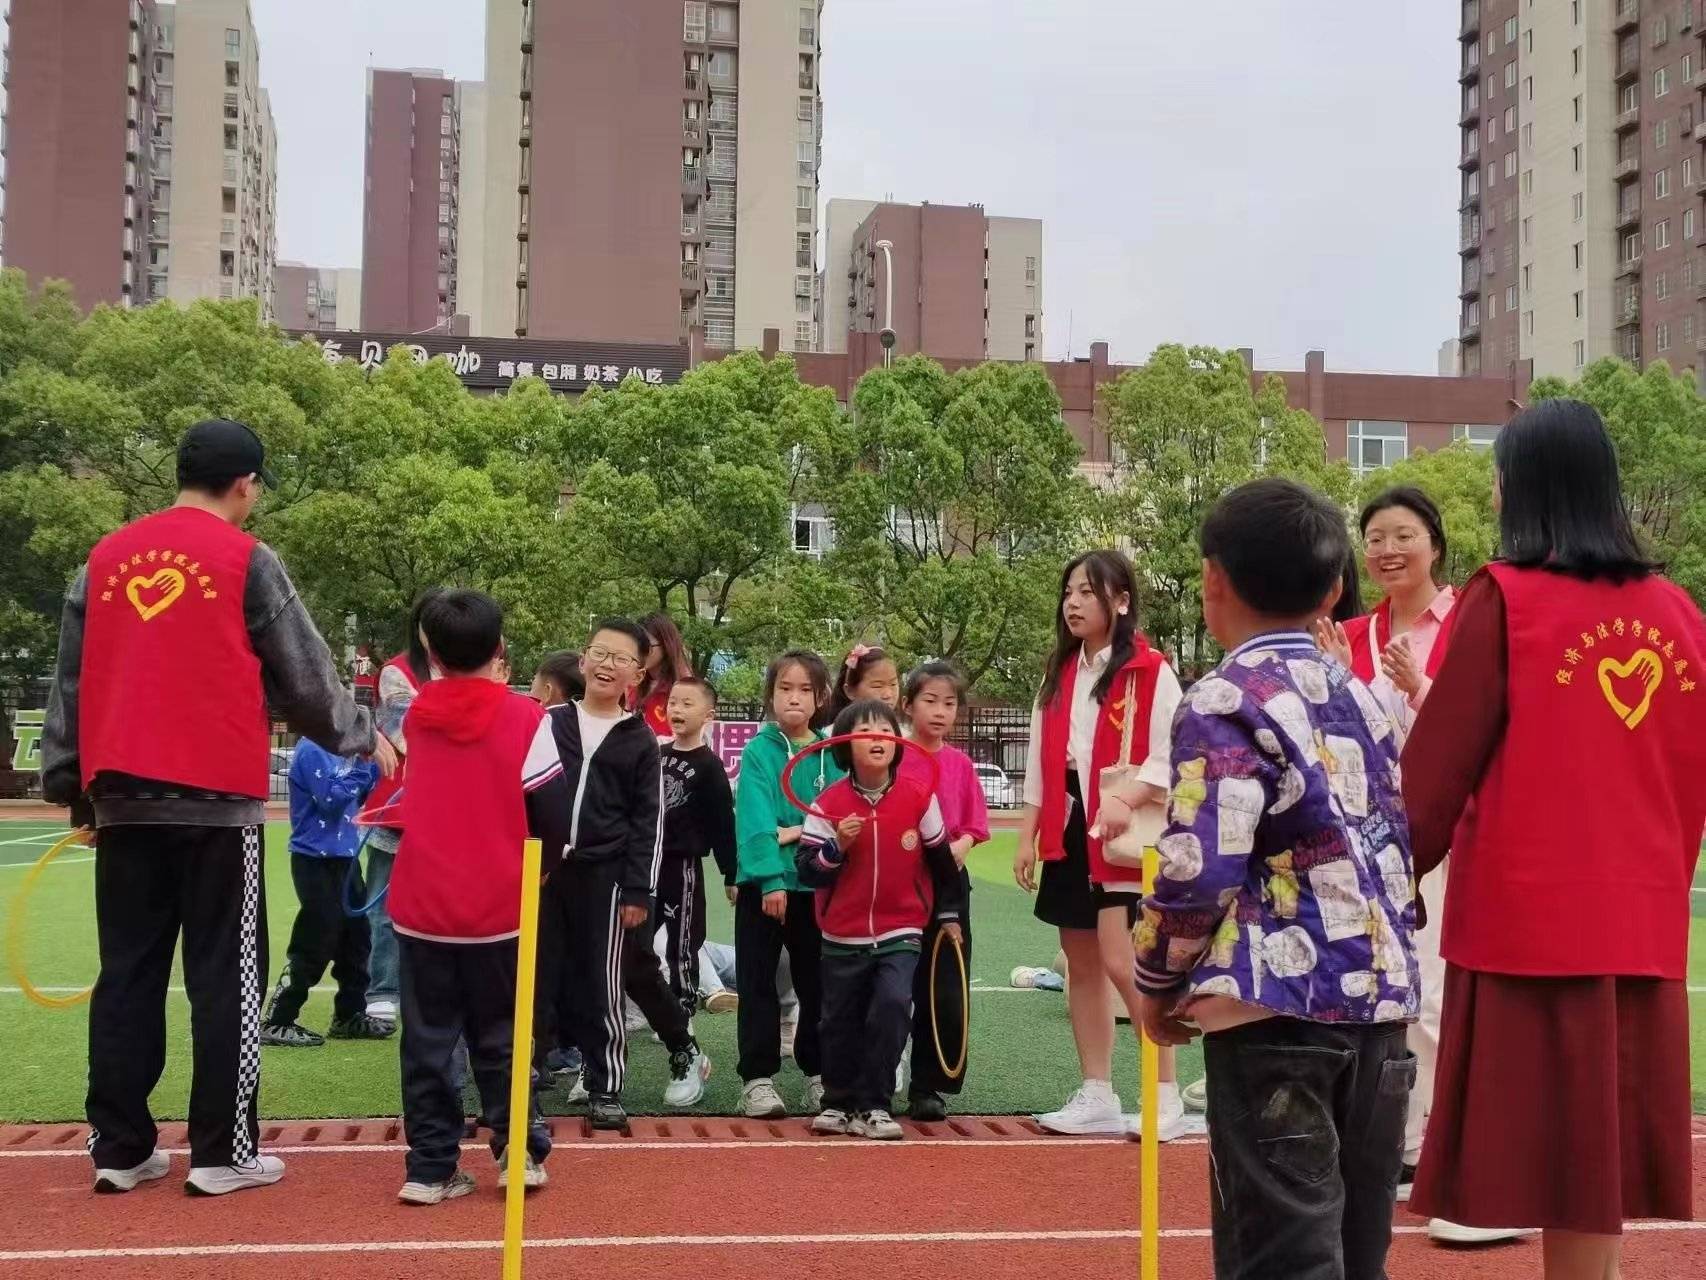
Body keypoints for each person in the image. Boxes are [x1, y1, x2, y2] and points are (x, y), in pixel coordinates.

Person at [40, 418, 394, 1197]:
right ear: (248, 485)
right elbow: (304, 676)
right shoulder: (247, 560)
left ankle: (121, 1148)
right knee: (225, 977)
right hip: (214, 801)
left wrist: (72, 791)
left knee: (127, 973)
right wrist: (365, 737)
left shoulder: (103, 560)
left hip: (124, 798)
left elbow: (70, 684)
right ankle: (221, 1151)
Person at [1403, 400, 1704, 1278]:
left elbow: (1434, 774)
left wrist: (1390, 872)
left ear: (1524, 487)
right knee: (1595, 1174)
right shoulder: (1680, 612)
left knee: (1555, 1166)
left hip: (1527, 933)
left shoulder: (1506, 597)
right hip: (1642, 931)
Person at [1132, 477, 1418, 1280]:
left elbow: (1199, 866)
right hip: (1380, 1006)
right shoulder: (1361, 697)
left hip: (1276, 1012)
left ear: (1211, 580)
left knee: (1281, 1255)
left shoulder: (1224, 696)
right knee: (1359, 1251)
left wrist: (1156, 978)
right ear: (1334, 588)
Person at [387, 590, 562, 1205]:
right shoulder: (525, 719)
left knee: (428, 1040)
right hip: (498, 905)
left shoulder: (416, 716)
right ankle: (518, 1153)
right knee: (505, 1035)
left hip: (423, 903)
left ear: (431, 653)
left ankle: (430, 1166)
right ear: (499, 650)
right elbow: (552, 809)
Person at [1012, 549, 1187, 1138]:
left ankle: (1163, 1093)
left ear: (1121, 601)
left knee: (1123, 960)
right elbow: (1041, 762)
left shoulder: (1150, 669)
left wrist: (1131, 796)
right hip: (1068, 825)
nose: (1074, 603)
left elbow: (1175, 751)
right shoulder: (1058, 675)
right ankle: (1097, 1090)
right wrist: (1029, 833)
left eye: (1088, 592)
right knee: (1081, 961)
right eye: (1068, 593)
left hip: (1123, 835)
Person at [534, 620, 708, 1129]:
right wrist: (532, 860)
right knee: (539, 977)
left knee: (605, 981)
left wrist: (638, 890)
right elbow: (524, 796)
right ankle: (527, 1079)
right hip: (544, 874)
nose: (608, 664)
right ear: (583, 661)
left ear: (637, 673)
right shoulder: (548, 722)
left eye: (621, 658)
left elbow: (648, 823)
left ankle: (606, 1084)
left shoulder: (638, 740)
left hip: (607, 878)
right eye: (599, 653)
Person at [798, 699, 966, 1141]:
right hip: (841, 934)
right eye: (865, 731)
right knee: (838, 1021)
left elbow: (942, 863)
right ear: (846, 746)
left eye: (884, 730)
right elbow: (806, 870)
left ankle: (874, 1104)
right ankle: (837, 1101)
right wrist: (836, 847)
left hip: (901, 931)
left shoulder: (917, 798)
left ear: (896, 743)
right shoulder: (828, 802)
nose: (877, 738)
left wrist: (948, 914)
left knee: (893, 1008)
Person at [733, 648, 843, 1118]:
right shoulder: (759, 751)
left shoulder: (830, 754)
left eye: (805, 690)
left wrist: (794, 830)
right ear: (770, 695)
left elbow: (837, 817)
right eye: (784, 688)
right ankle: (757, 1079)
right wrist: (772, 876)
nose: (794, 698)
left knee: (817, 984)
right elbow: (755, 819)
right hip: (767, 887)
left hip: (816, 885)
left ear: (820, 697)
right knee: (757, 982)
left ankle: (818, 1074)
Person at [898, 660, 989, 1121]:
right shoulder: (893, 755)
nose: (939, 711)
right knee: (893, 980)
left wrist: (961, 845)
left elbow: (975, 823)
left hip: (949, 885)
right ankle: (873, 1074)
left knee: (945, 984)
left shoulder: (960, 763)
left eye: (949, 703)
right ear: (908, 704)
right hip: (898, 882)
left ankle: (928, 1084)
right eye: (929, 701)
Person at [260, 739, 389, 1047]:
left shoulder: (342, 750)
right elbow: (330, 798)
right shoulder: (311, 748)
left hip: (345, 858)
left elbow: (360, 795)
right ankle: (278, 1020)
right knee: (316, 939)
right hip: (315, 860)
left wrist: (375, 768)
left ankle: (349, 1014)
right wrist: (365, 766)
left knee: (357, 938)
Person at [359, 588, 444, 1030]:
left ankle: (430, 989)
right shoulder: (398, 671)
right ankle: (384, 990)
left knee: (441, 902)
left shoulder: (473, 669)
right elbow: (403, 729)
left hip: (452, 807)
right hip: (401, 805)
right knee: (386, 901)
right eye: (433, 625)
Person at [658, 675, 738, 1023]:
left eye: (688, 704)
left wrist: (731, 873)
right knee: (639, 944)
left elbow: (722, 824)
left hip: (683, 866)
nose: (677, 709)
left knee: (682, 944)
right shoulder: (656, 755)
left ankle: (682, 1014)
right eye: (674, 701)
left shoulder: (710, 766)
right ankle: (658, 1009)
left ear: (709, 715)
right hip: (648, 865)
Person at [633, 612, 691, 739]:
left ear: (666, 645)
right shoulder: (631, 685)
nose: (640, 652)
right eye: (636, 645)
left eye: (647, 646)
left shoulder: (686, 688)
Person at [829, 644, 901, 719]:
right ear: (850, 691)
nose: (888, 695)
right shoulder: (833, 730)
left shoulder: (902, 730)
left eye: (893, 684)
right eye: (877, 686)